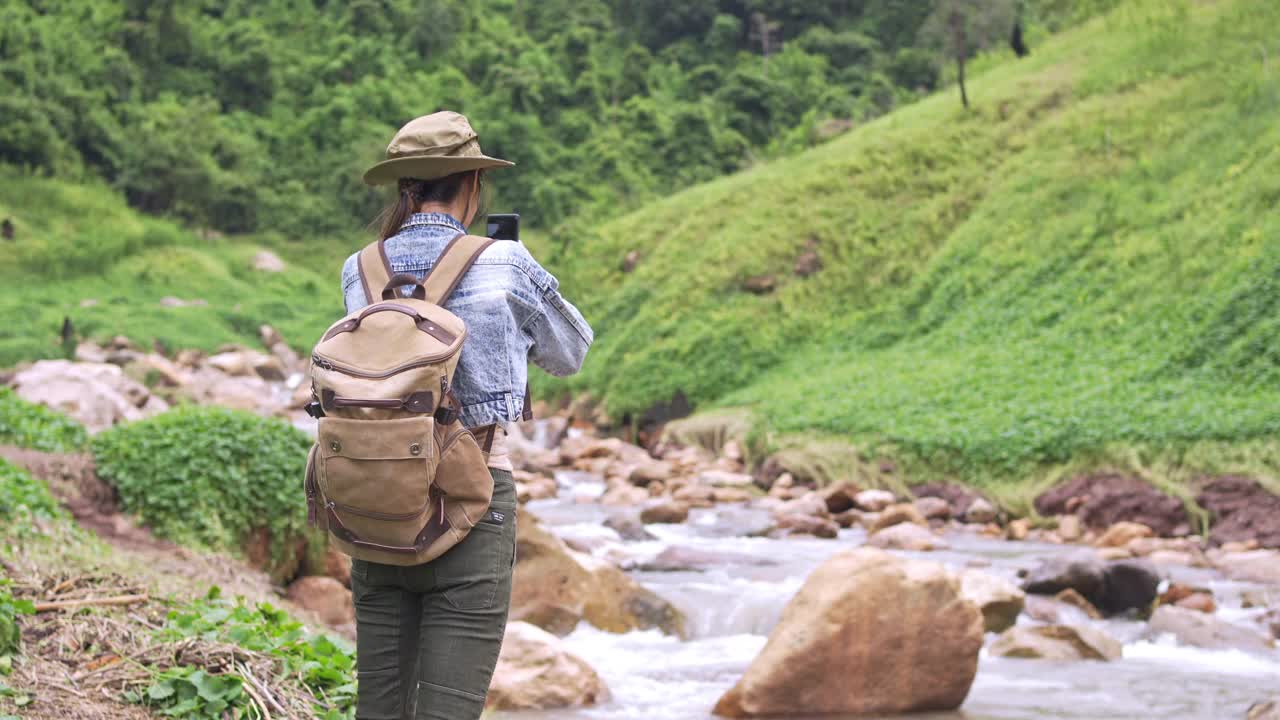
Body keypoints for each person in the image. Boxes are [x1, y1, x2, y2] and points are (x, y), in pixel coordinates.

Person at [340, 111, 593, 720]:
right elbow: (571, 353)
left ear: (407, 187)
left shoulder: (360, 269)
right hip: (474, 506)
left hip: (376, 503)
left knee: (378, 710)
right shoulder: (503, 263)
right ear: (473, 184)